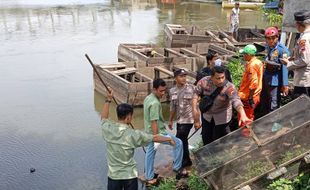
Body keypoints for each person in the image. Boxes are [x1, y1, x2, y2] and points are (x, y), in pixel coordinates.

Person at [101, 89, 176, 190]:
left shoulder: (108, 129)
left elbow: (103, 118)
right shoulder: (134, 134)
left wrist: (108, 100)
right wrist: (168, 139)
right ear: (128, 117)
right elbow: (154, 137)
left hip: (113, 176)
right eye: (131, 116)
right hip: (129, 176)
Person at [192, 66, 251, 145]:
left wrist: (243, 114)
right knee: (206, 139)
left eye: (222, 77)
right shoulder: (204, 81)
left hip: (222, 117)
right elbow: (195, 94)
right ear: (212, 77)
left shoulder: (229, 87)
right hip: (207, 116)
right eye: (218, 78)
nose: (221, 81)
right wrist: (195, 112)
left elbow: (236, 100)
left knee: (220, 142)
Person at [144, 79, 186, 185]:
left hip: (148, 132)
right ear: (154, 89)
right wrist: (156, 137)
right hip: (157, 132)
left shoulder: (148, 98)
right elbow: (154, 122)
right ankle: (177, 168)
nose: (163, 93)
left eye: (164, 91)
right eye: (161, 91)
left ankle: (149, 175)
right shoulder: (155, 103)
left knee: (150, 153)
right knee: (178, 143)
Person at [168, 69, 199, 168]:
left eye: (185, 76)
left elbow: (197, 105)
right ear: (175, 78)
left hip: (189, 119)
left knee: (179, 139)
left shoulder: (192, 88)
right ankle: (186, 160)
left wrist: (197, 120)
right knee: (183, 139)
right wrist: (170, 120)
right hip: (180, 120)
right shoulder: (172, 91)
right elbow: (173, 107)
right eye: (181, 76)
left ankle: (182, 160)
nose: (184, 78)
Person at [260, 26, 290, 116]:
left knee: (274, 103)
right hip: (267, 78)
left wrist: (285, 84)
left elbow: (285, 67)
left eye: (273, 38)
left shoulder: (282, 50)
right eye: (268, 39)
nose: (270, 40)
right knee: (265, 101)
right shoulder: (269, 47)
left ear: (277, 37)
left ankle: (275, 125)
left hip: (275, 80)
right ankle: (265, 121)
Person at [280, 10, 310, 98]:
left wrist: (288, 63)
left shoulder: (304, 38)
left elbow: (305, 60)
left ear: (299, 24)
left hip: (304, 82)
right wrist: (294, 58)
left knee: (300, 109)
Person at [238, 45, 263, 135]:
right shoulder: (258, 62)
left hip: (248, 96)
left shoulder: (252, 65)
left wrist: (250, 98)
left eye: (244, 54)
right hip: (254, 95)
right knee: (249, 116)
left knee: (245, 118)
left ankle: (245, 138)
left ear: (249, 54)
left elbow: (254, 83)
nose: (243, 56)